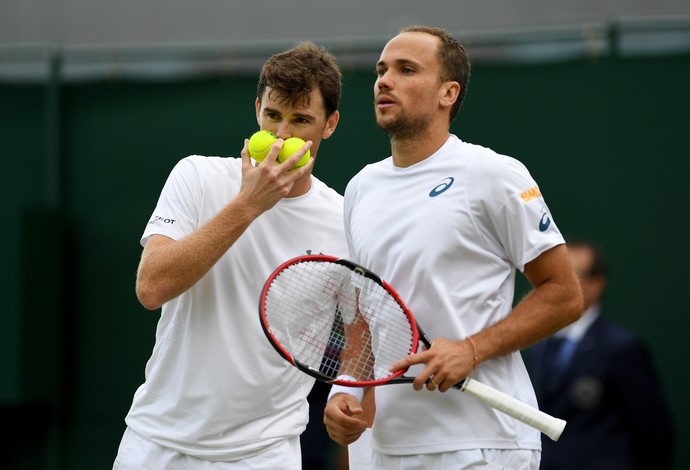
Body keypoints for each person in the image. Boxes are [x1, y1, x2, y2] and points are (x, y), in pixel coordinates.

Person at [323, 25, 583, 470]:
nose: (384, 81)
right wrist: (346, 391)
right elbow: (362, 315)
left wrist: (472, 349)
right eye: (381, 70)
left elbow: (564, 294)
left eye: (406, 70)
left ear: (448, 93)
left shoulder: (494, 175)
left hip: (481, 445)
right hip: (385, 449)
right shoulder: (361, 188)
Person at [113, 41, 348, 469]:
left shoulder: (346, 221)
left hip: (265, 453)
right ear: (257, 108)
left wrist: (349, 394)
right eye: (273, 116)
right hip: (156, 443)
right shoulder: (197, 176)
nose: (281, 135)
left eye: (301, 120)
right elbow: (151, 287)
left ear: (329, 124)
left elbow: (360, 328)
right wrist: (248, 205)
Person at [527, 238, 675, 470]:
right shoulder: (540, 345)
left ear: (598, 282)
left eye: (576, 275)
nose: (564, 284)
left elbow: (654, 433)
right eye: (559, 275)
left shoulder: (622, 348)